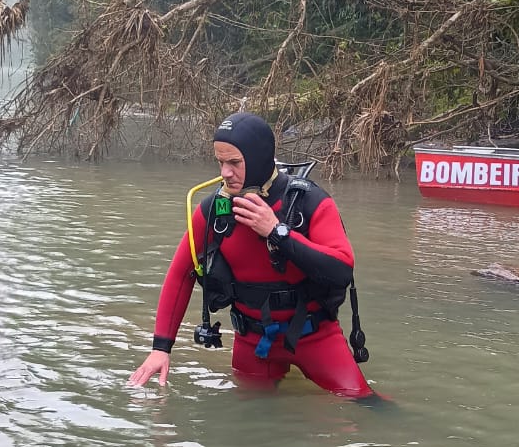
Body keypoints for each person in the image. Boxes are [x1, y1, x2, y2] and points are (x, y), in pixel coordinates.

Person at [129, 111, 374, 398]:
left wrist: (276, 231)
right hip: (253, 342)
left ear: (259, 159)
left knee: (364, 405)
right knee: (250, 423)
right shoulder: (213, 212)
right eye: (220, 162)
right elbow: (180, 275)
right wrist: (160, 349)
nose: (224, 173)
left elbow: (341, 269)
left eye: (234, 163)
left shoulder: (308, 203)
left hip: (315, 337)